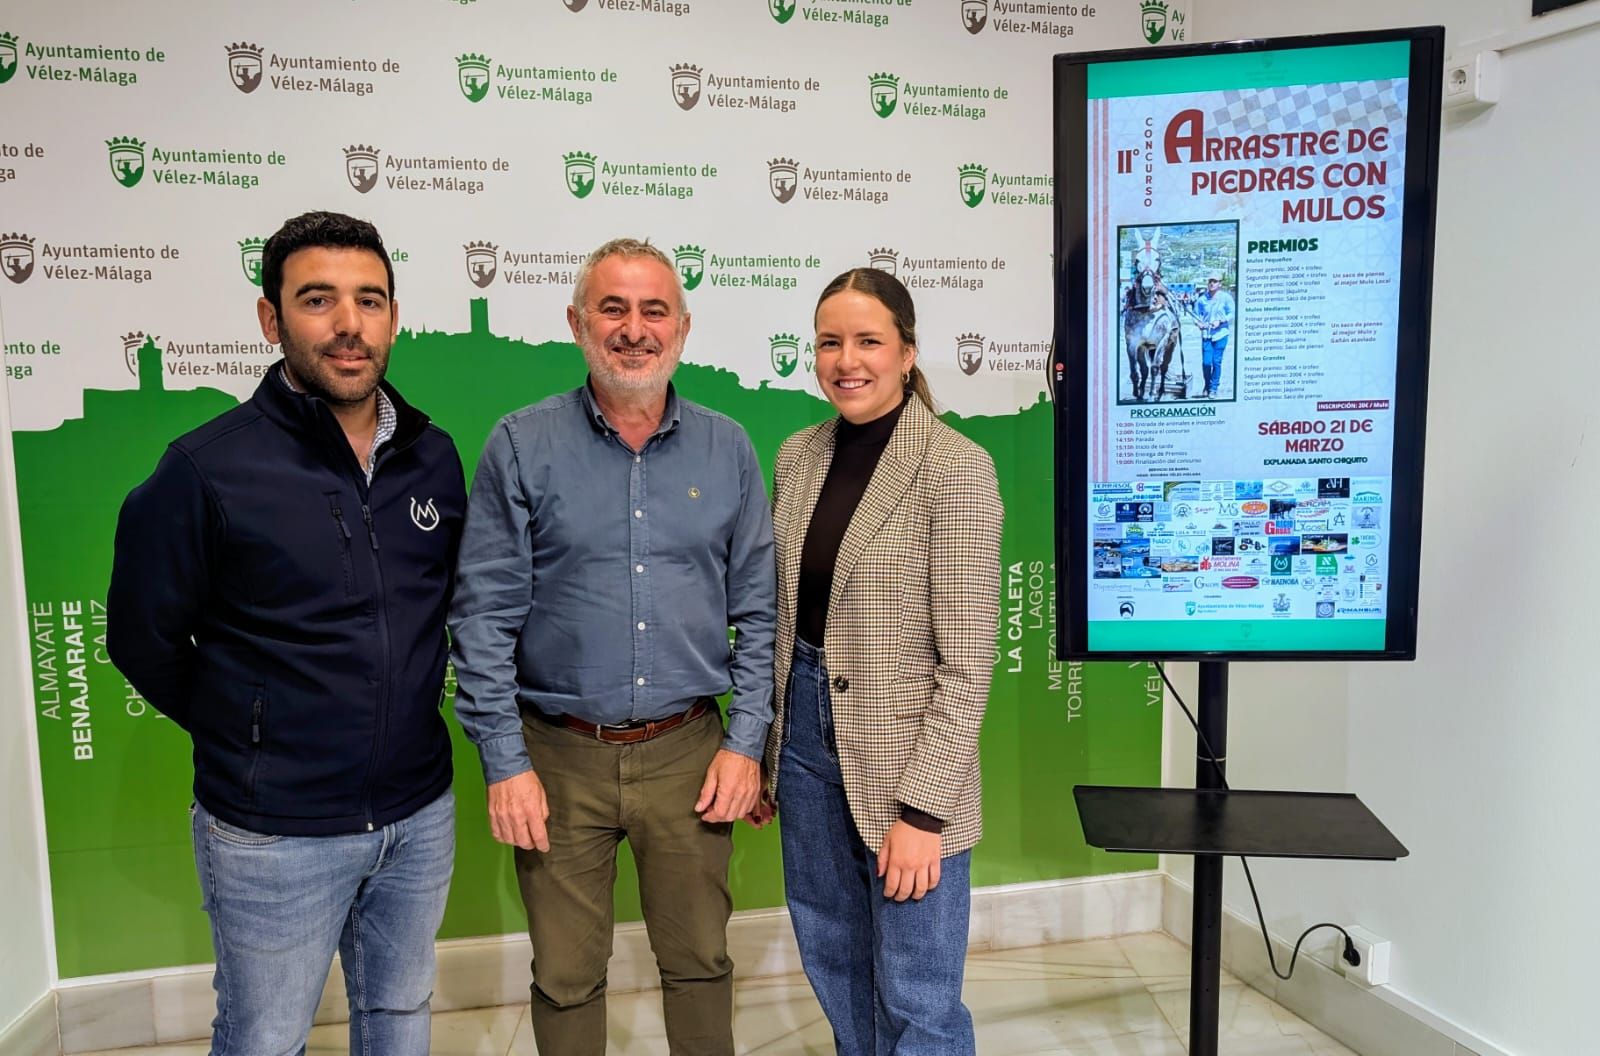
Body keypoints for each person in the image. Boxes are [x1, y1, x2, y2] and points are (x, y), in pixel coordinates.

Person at [107, 210, 466, 1055]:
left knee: (401, 1019)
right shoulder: (206, 469)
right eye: (318, 300)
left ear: (394, 316)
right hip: (273, 834)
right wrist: (253, 729)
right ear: (271, 320)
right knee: (265, 1039)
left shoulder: (433, 456)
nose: (349, 324)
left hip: (419, 814)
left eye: (370, 300)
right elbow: (141, 638)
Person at [449, 238, 776, 1056]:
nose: (634, 329)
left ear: (684, 328)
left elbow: (762, 615)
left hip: (690, 754)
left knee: (701, 962)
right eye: (614, 308)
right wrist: (502, 761)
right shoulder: (521, 445)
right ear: (577, 322)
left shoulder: (728, 448)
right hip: (556, 757)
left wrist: (746, 747)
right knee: (564, 974)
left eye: (653, 310)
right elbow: (481, 616)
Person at [751, 268, 1003, 1055]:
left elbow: (967, 666)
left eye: (868, 340)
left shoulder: (955, 468)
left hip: (909, 764)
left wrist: (923, 814)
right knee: (835, 962)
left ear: (907, 351)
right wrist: (765, 753)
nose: (846, 360)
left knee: (919, 992)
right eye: (830, 342)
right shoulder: (798, 455)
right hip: (805, 743)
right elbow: (782, 617)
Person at [1195, 271, 1235, 398]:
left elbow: (1232, 313)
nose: (1211, 283)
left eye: (1215, 281)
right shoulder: (1201, 299)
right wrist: (1198, 323)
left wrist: (1221, 321)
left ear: (1220, 284)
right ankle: (1207, 384)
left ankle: (1213, 388)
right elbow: (1196, 315)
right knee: (1206, 363)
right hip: (1207, 335)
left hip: (1221, 334)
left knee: (1216, 362)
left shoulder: (1226, 298)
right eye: (1210, 281)